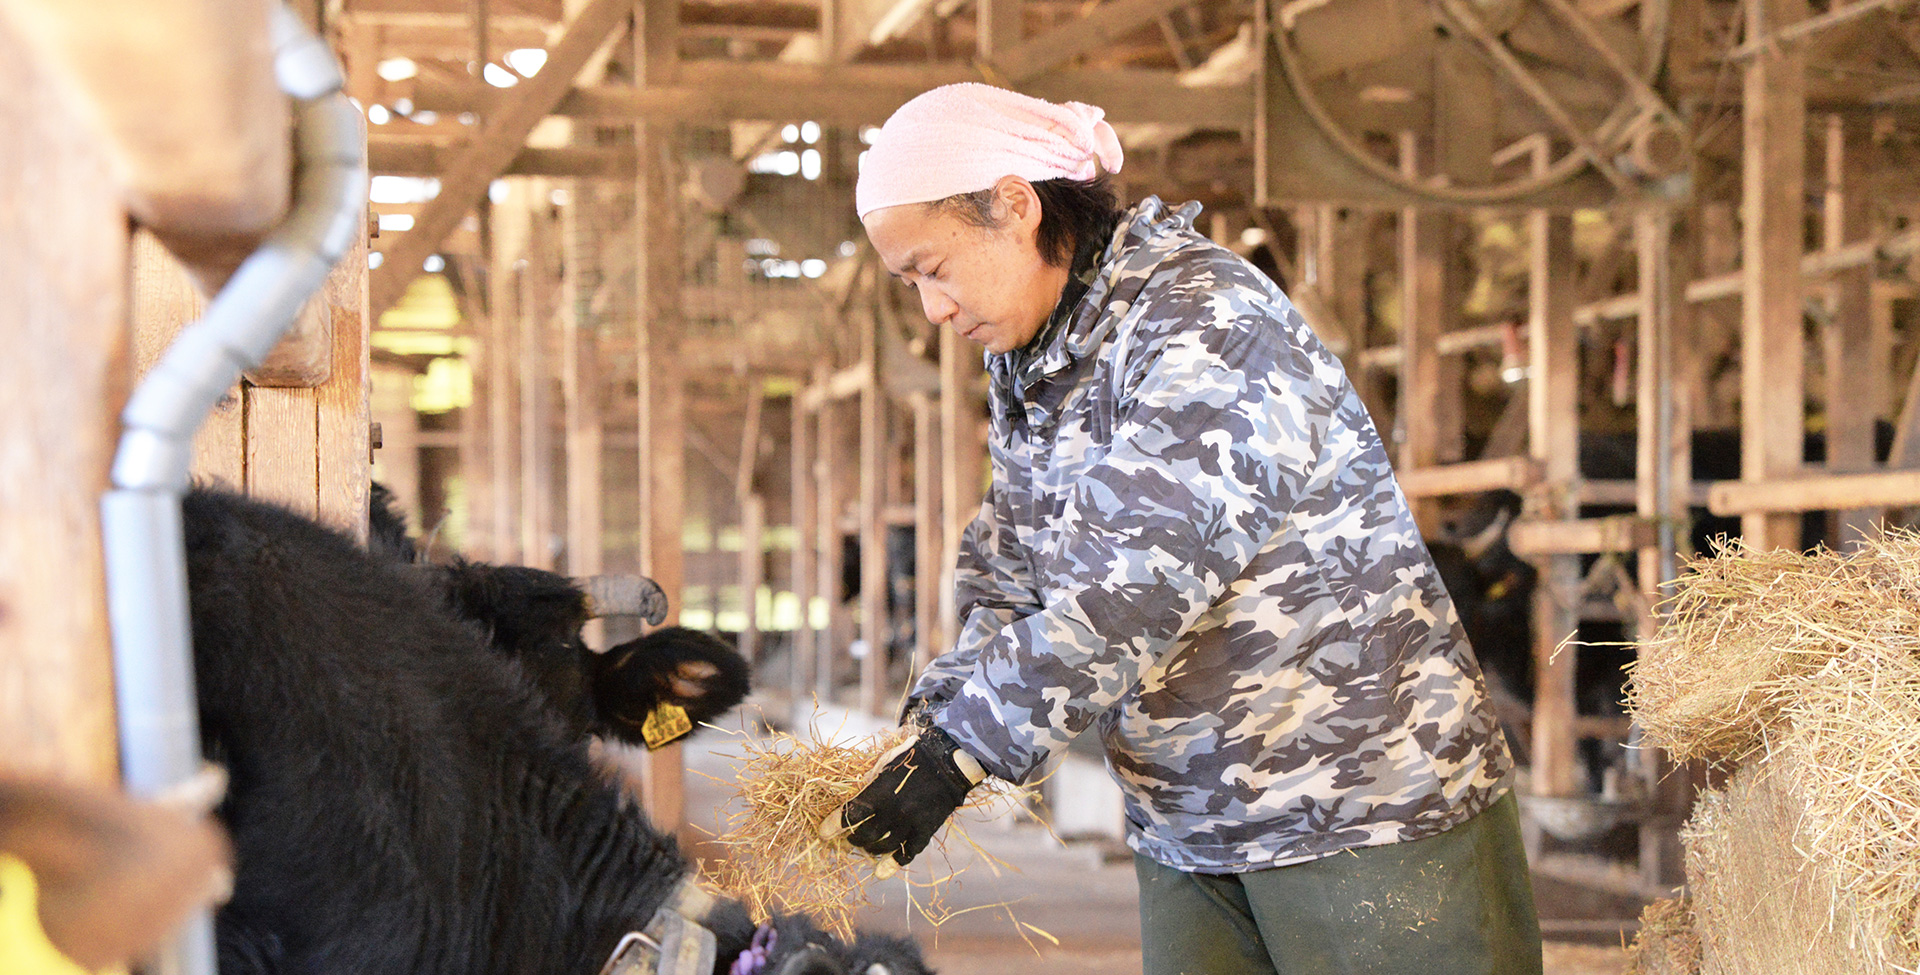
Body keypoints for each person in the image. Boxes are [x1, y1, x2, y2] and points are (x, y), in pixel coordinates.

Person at [818, 82, 1543, 975]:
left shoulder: (1200, 322)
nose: (932, 308)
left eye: (931, 269)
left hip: (1359, 800)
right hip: (1192, 820)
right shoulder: (1038, 362)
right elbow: (1011, 561)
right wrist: (935, 719)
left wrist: (967, 746)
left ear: (1013, 205)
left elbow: (1135, 582)